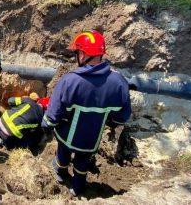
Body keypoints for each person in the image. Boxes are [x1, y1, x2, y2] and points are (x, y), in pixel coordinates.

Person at [42, 30, 131, 196]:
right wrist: (113, 122)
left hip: (67, 136)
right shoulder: (118, 83)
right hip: (91, 139)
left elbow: (54, 112)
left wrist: (47, 123)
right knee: (82, 162)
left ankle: (60, 173)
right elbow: (123, 116)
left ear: (83, 54)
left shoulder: (71, 81)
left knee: (62, 155)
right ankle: (77, 188)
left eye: (77, 52)